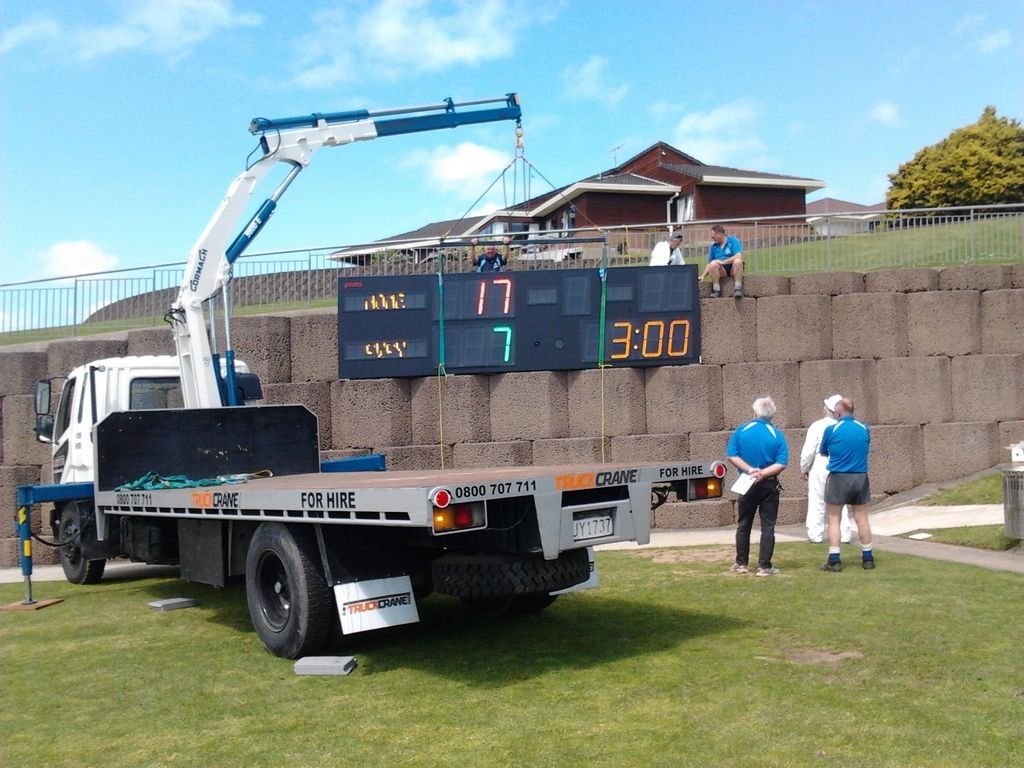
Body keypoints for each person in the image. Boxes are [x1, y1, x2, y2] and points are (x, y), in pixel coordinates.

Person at [726, 396, 789, 577]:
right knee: (768, 526)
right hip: (768, 484)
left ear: (754, 412)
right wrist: (763, 473)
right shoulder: (777, 434)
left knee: (744, 523)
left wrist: (749, 470)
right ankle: (764, 566)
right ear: (772, 415)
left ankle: (741, 563)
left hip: (747, 482)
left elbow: (732, 455)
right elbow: (781, 463)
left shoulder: (742, 430)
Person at [818, 397, 875, 571]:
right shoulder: (863, 428)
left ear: (839, 412)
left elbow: (823, 451)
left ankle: (834, 559)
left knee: (834, 517)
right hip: (859, 476)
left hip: (838, 476)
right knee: (861, 517)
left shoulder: (832, 429)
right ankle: (868, 558)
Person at [800, 394, 852, 543]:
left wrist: (804, 468)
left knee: (817, 500)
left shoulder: (817, 426)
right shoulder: (845, 427)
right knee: (840, 501)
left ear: (828, 409)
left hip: (820, 463)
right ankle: (844, 534)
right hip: (841, 464)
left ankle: (815, 534)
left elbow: (808, 451)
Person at [699, 224, 744, 298]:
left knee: (738, 261)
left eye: (713, 237)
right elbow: (709, 263)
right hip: (722, 270)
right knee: (713, 264)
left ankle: (738, 289)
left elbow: (739, 255)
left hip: (733, 268)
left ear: (720, 234)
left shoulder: (732, 240)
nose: (713, 239)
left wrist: (724, 262)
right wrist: (703, 275)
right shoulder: (714, 246)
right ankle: (716, 290)